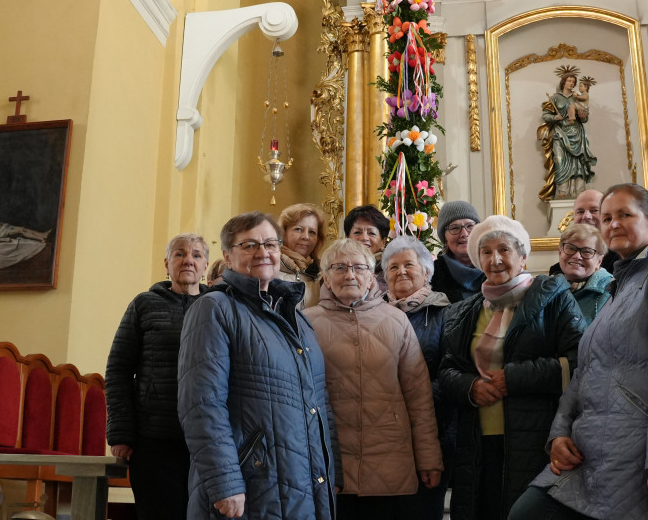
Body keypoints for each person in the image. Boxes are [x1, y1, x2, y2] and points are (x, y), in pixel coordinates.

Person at [510, 183, 648, 520]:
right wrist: (559, 433)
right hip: (597, 452)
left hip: (646, 455)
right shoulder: (621, 285)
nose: (613, 223)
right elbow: (586, 370)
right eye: (607, 218)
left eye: (625, 215)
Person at [178, 212, 339, 520]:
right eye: (249, 245)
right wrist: (225, 482)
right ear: (227, 255)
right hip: (250, 485)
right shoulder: (214, 309)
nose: (263, 252)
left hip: (303, 485)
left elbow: (319, 405)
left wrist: (333, 475)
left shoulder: (297, 318)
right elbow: (201, 406)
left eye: (270, 243)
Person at [439, 215, 585, 520]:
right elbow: (448, 370)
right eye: (486, 252)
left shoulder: (554, 299)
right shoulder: (462, 312)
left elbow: (579, 362)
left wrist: (514, 379)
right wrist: (471, 387)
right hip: (477, 444)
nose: (495, 260)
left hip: (536, 439)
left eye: (504, 250)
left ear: (523, 257)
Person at [304, 238, 443, 519]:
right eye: (339, 267)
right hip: (330, 464)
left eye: (359, 267)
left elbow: (418, 397)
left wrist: (429, 457)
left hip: (390, 460)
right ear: (326, 278)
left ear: (371, 277)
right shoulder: (305, 322)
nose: (350, 274)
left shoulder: (396, 320)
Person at [106, 233, 210, 520]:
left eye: (197, 255)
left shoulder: (218, 306)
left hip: (208, 438)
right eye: (179, 254)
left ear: (206, 267)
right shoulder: (144, 304)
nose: (188, 259)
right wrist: (121, 433)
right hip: (154, 438)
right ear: (167, 263)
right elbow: (119, 369)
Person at [382, 235, 453, 520]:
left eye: (409, 265)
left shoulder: (446, 313)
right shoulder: (374, 315)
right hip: (384, 435)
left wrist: (408, 400)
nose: (400, 271)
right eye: (393, 267)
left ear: (426, 272)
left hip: (432, 430)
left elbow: (449, 373)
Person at [538, 71, 597, 201]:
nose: (571, 83)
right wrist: (555, 117)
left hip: (576, 132)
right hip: (560, 132)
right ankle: (562, 191)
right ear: (563, 82)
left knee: (578, 162)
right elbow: (545, 115)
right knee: (560, 161)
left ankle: (579, 191)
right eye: (569, 81)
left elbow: (584, 118)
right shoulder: (555, 98)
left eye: (573, 82)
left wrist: (583, 116)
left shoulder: (577, 97)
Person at [547, 190, 618, 277]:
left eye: (594, 210)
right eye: (580, 212)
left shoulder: (621, 260)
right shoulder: (557, 271)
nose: (586, 216)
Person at [552, 224, 612, 324]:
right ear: (560, 253)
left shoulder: (612, 290)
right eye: (571, 248)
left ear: (599, 261)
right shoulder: (548, 288)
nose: (577, 256)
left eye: (587, 251)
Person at [430, 200, 485, 303]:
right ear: (444, 237)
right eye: (454, 228)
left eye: (470, 226)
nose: (464, 233)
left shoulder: (495, 267)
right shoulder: (431, 276)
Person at [277, 203, 326, 306]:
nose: (306, 237)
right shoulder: (268, 269)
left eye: (312, 232)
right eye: (298, 229)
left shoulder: (323, 275)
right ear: (283, 233)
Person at [343, 204, 391, 286]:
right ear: (347, 238)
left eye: (371, 233)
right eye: (357, 232)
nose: (364, 238)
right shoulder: (336, 268)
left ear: (383, 242)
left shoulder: (391, 270)